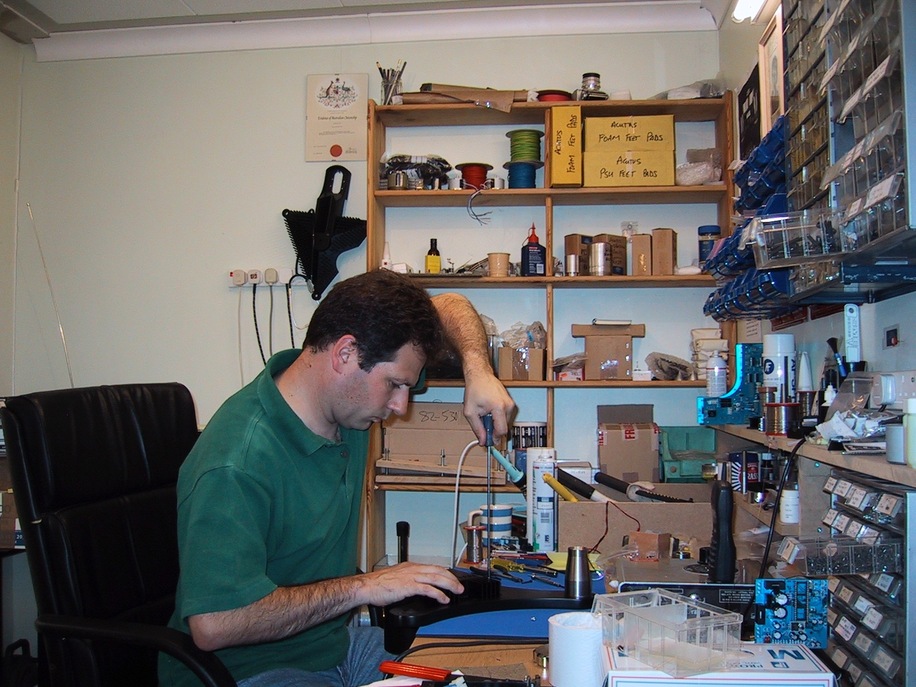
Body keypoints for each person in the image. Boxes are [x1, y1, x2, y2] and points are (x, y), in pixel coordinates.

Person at [160, 269, 515, 687]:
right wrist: (363, 587)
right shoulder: (236, 463)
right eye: (395, 385)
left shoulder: (345, 400)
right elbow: (214, 624)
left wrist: (478, 370)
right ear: (345, 353)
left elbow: (449, 306)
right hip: (245, 672)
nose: (401, 406)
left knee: (480, 670)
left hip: (333, 647)